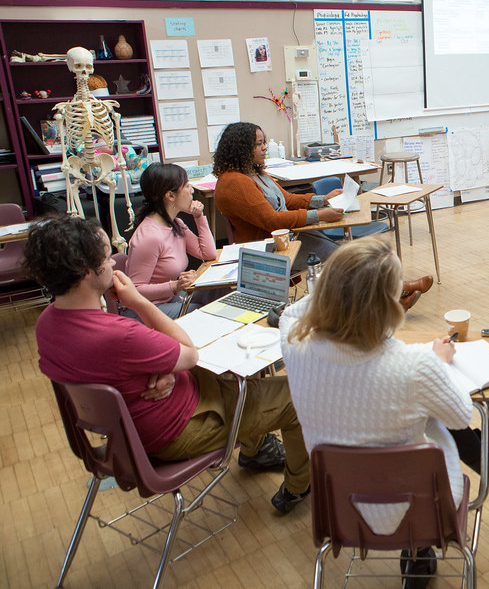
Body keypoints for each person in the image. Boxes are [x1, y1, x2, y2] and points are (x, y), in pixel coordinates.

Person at [280, 237, 489, 585]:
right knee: (428, 414)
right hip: (422, 508)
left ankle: (431, 547)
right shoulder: (414, 366)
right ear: (387, 307)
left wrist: (343, 282)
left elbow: (291, 312)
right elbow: (461, 416)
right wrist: (440, 362)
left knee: (410, 415)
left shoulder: (294, 342)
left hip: (340, 507)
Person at [26, 215, 311, 513]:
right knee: (295, 396)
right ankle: (298, 486)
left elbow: (120, 366)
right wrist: (136, 301)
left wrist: (164, 369)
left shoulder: (47, 324)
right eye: (107, 258)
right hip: (177, 430)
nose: (113, 264)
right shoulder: (120, 335)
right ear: (86, 273)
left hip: (133, 431)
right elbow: (189, 353)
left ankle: (256, 450)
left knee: (234, 371)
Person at [212, 121, 432, 308]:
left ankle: (391, 299)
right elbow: (272, 220)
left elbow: (287, 200)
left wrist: (323, 199)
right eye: (258, 144)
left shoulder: (256, 173)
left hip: (291, 237)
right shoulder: (234, 182)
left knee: (348, 255)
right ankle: (395, 294)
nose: (264, 148)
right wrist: (320, 215)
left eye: (263, 142)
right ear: (241, 148)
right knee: (346, 259)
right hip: (272, 250)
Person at [126, 163, 217, 317]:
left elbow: (208, 254)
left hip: (170, 299)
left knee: (219, 290)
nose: (192, 191)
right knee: (208, 312)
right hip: (146, 310)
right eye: (187, 186)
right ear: (170, 195)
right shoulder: (149, 237)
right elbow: (135, 290)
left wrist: (199, 216)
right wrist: (175, 286)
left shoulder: (176, 224)